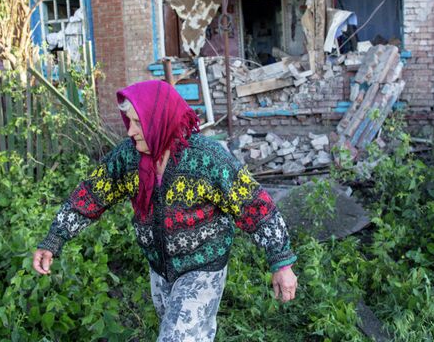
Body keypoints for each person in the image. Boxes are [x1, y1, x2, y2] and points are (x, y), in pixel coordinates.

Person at [33, 80, 298, 341]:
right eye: (129, 122)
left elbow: (256, 207)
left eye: (138, 123)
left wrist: (281, 263)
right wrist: (54, 238)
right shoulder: (129, 157)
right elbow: (91, 195)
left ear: (158, 121)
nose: (130, 131)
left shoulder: (207, 159)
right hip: (160, 270)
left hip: (202, 268)